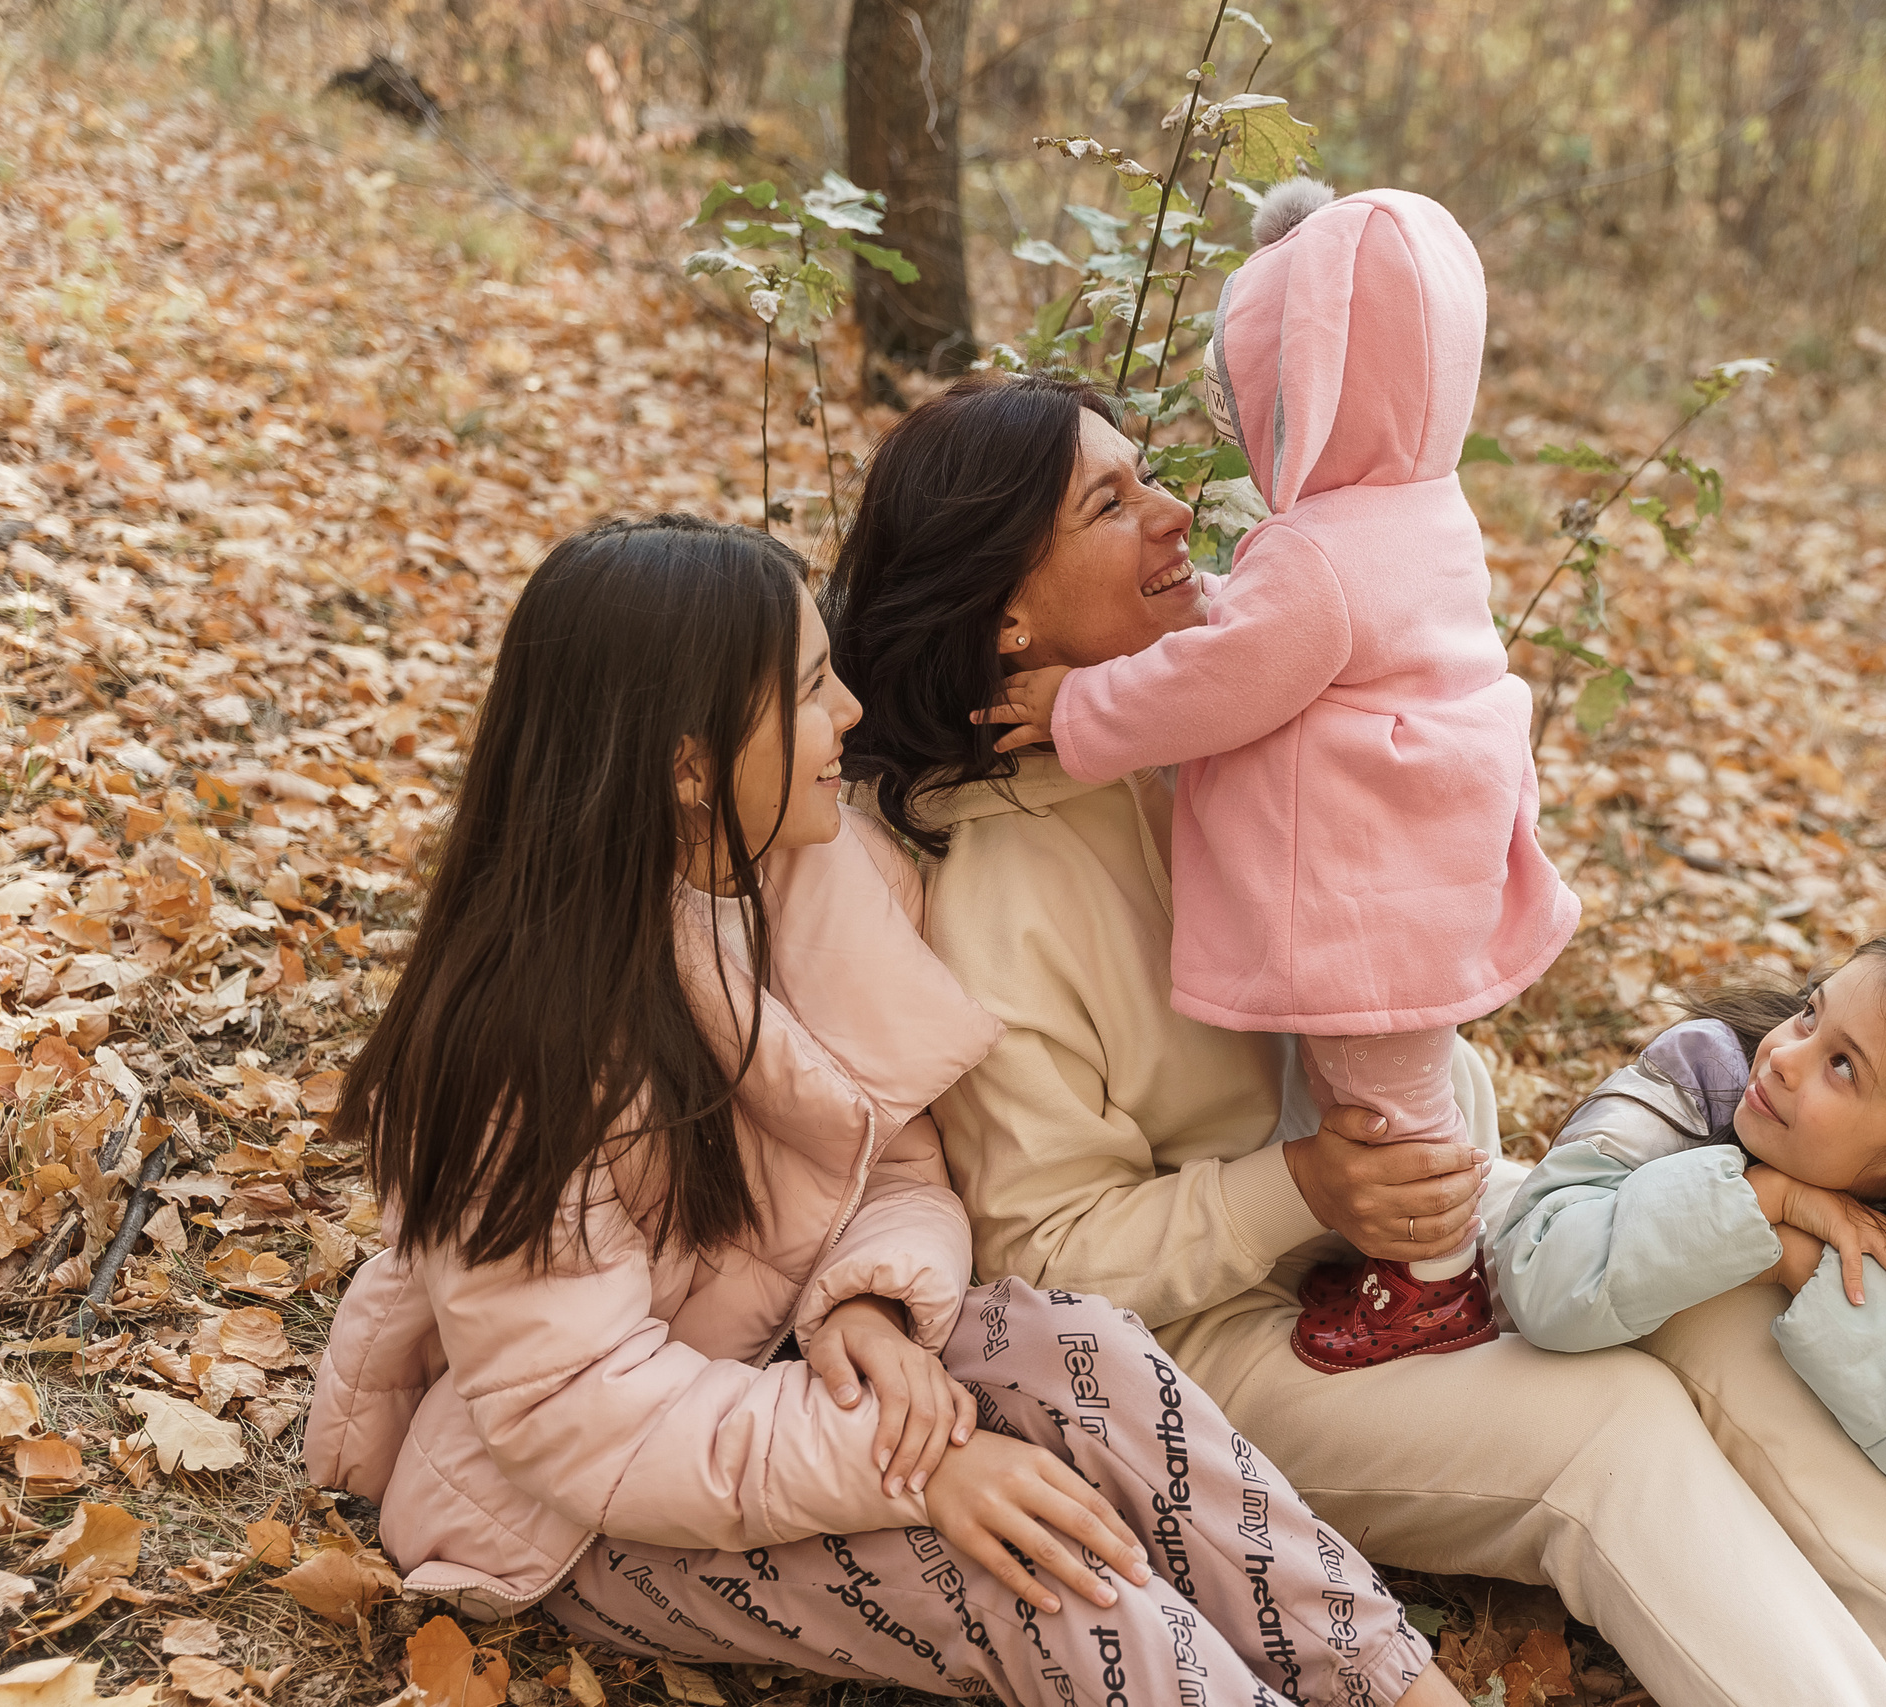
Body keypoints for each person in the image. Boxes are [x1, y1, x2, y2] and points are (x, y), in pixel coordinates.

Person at [827, 373, 1886, 1707]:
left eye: (1148, 475)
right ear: (1007, 615)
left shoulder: (1214, 713)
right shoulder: (1003, 888)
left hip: (1411, 1233)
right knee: (1611, 1429)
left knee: (1697, 1276)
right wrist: (1299, 1188)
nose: (1175, 510)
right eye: (1110, 503)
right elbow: (1038, 1261)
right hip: (1221, 1348)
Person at [303, 515, 1459, 1707]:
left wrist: (866, 1300)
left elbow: (903, 1162)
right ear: (689, 767)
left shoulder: (837, 874)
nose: (848, 713)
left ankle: (1398, 1687)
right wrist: (925, 1470)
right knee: (1026, 1567)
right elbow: (576, 1411)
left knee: (1086, 1350)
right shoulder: (518, 1047)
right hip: (581, 1507)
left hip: (787, 1360)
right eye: (810, 690)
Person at [978, 183, 1577, 1373]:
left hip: (1369, 892)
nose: (1172, 510)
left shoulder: (1315, 554)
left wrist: (1076, 707)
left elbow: (1222, 679)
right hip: (1421, 860)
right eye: (1113, 501)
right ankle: (1427, 1261)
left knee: (1380, 1100)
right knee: (1397, 1089)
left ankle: (1430, 1286)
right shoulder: (1419, 511)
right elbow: (1268, 643)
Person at [1494, 937, 1886, 1550]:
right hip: (1836, 1407)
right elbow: (1542, 1277)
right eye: (1810, 1013)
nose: (1785, 1055)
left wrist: (1806, 1263)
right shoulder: (1706, 1072)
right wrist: (1764, 1202)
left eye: (1843, 1066)